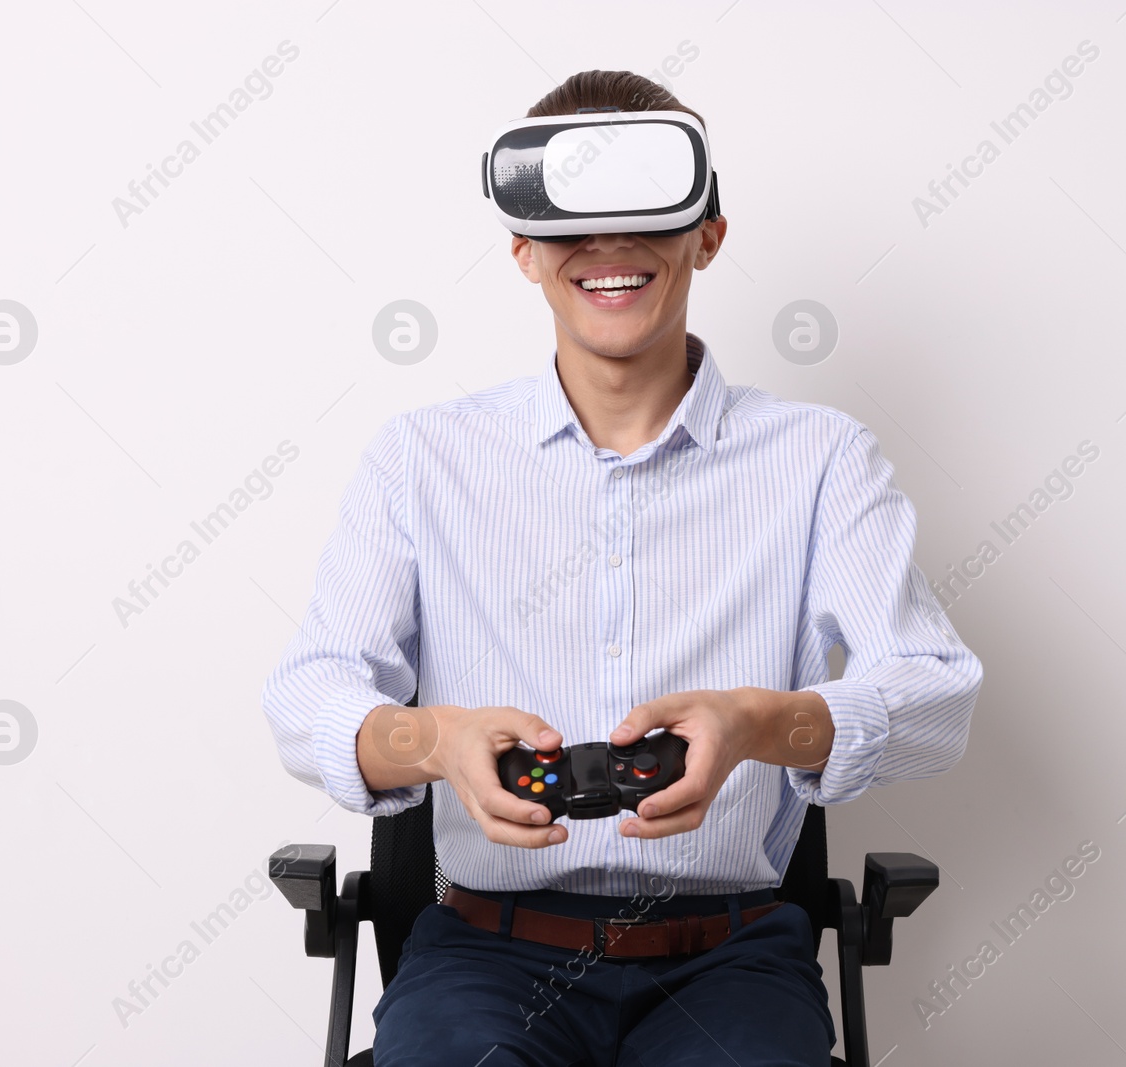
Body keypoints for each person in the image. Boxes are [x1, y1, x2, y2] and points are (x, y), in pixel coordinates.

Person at [262, 69, 983, 1067]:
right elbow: (309, 692)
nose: (608, 252)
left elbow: (936, 695)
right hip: (485, 952)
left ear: (709, 234)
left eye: (646, 218)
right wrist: (434, 737)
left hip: (729, 956)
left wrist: (759, 722)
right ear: (522, 248)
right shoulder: (422, 458)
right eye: (572, 228)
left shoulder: (820, 458)